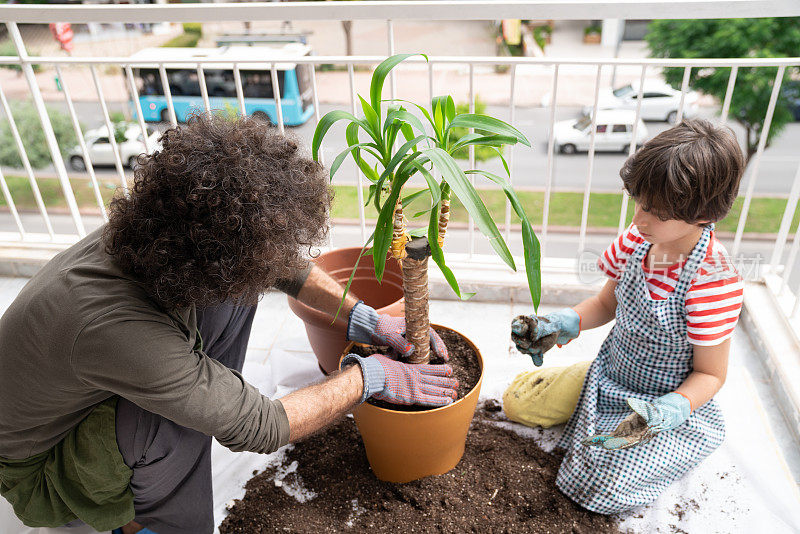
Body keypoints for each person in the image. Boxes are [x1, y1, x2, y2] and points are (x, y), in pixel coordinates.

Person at [0, 114, 457, 534]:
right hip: (42, 465)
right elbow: (260, 427)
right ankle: (147, 522)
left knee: (240, 281)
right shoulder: (117, 329)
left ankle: (203, 402)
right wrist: (372, 375)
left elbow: (276, 263)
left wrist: (364, 318)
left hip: (86, 381)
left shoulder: (163, 230)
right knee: (164, 423)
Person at [510, 118, 745, 514]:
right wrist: (561, 323)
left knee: (603, 483)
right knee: (518, 404)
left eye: (657, 212)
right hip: (609, 374)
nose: (639, 219)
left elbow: (711, 374)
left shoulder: (711, 280)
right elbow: (606, 304)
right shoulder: (640, 239)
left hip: (658, 404)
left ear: (704, 213)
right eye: (640, 203)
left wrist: (669, 410)